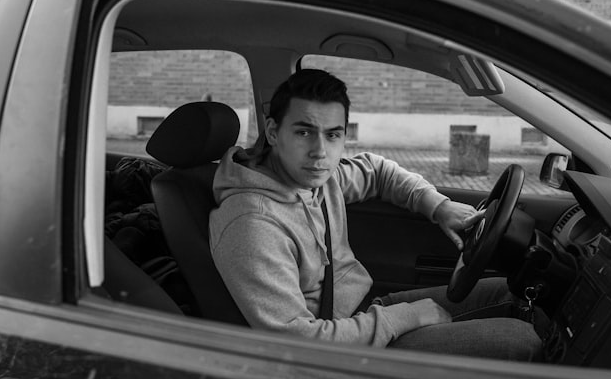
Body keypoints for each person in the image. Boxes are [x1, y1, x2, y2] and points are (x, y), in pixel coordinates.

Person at [208, 69, 541, 360]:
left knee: (508, 291)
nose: (321, 152)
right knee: (520, 341)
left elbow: (378, 170)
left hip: (360, 314)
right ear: (272, 132)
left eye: (333, 134)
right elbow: (298, 343)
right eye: (304, 132)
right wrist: (403, 317)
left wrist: (437, 206)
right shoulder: (252, 224)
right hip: (337, 356)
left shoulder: (318, 177)